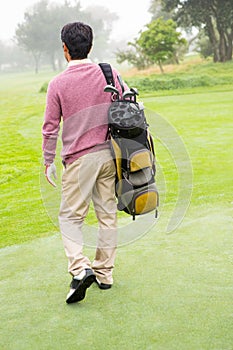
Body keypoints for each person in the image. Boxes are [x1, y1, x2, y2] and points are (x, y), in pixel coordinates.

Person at [42, 22, 127, 304]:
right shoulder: (109, 72)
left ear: (65, 48)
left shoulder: (57, 83)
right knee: (107, 216)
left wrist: (48, 161)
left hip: (79, 160)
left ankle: (80, 269)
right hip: (110, 156)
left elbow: (50, 128)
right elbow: (127, 101)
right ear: (90, 45)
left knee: (70, 218)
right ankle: (104, 273)